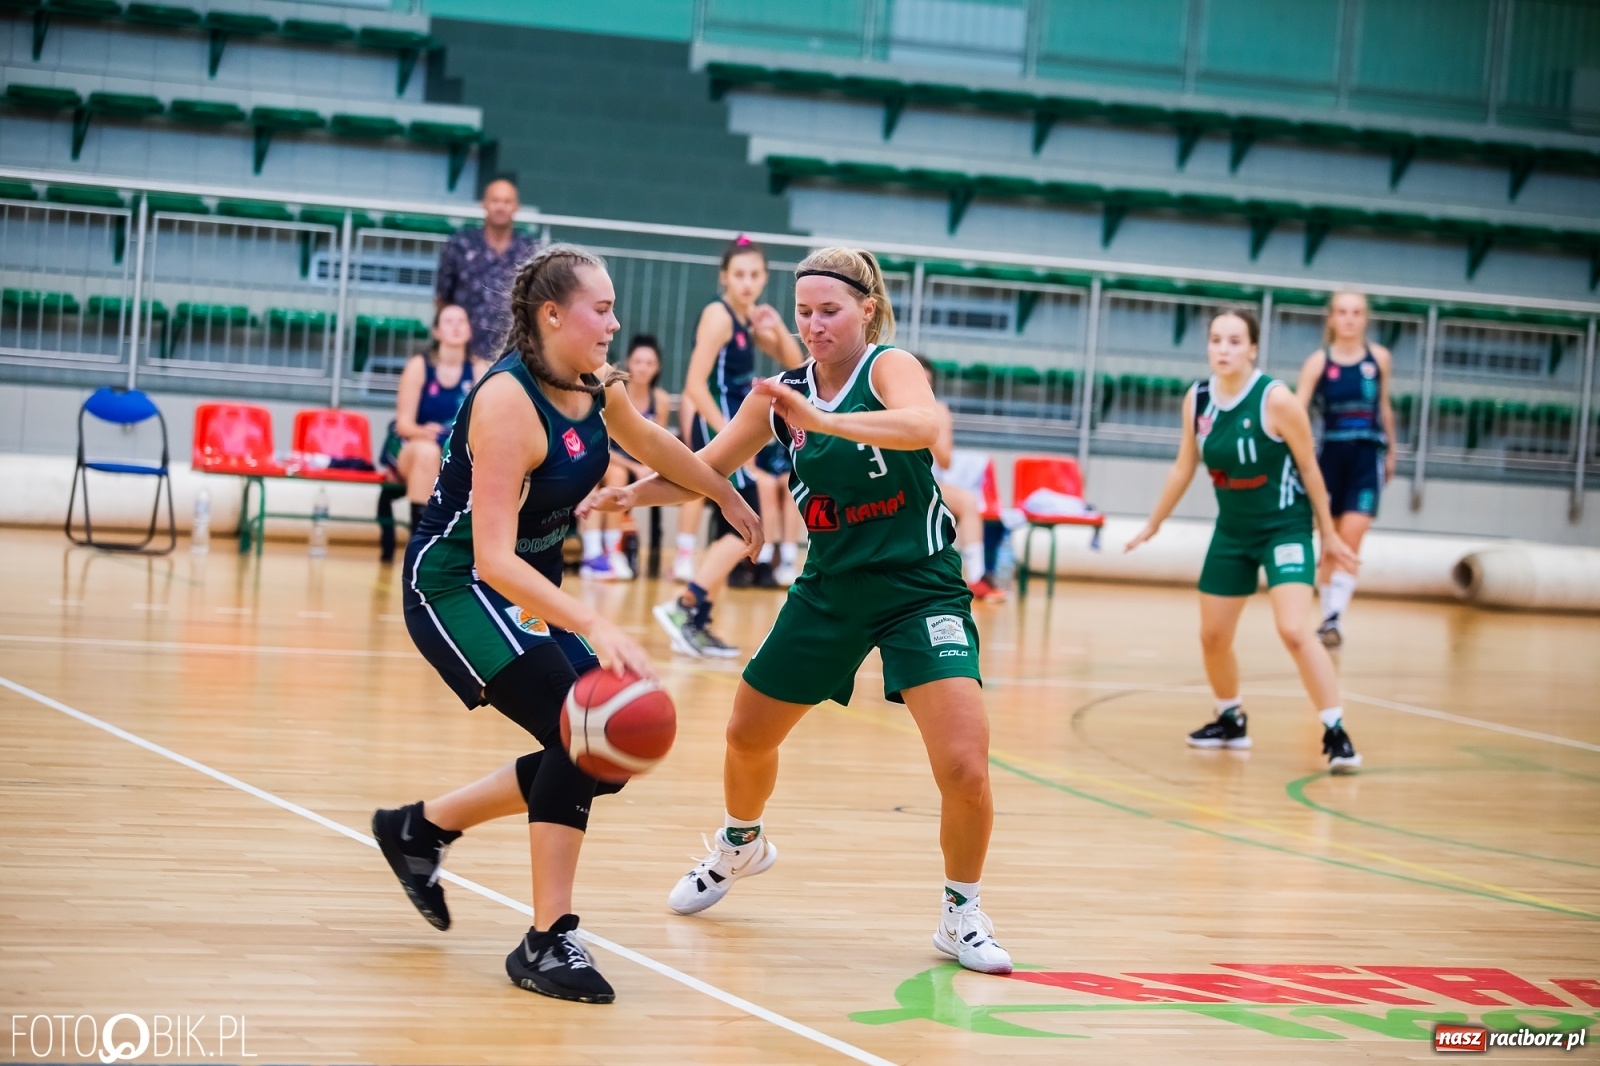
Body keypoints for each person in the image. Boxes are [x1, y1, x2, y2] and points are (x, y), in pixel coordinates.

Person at [589, 246, 1012, 975]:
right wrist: (636, 493)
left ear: (866, 309)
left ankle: (961, 912)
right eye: (805, 312)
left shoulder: (887, 367)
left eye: (830, 311)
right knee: (746, 733)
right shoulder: (778, 397)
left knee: (965, 766)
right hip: (832, 588)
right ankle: (741, 842)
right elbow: (705, 467)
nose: (814, 325)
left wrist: (826, 419)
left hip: (921, 588)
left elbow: (924, 427)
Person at [370, 245, 761, 1005]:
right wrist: (594, 621)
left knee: (605, 748)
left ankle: (421, 829)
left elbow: (656, 446)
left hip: (525, 590)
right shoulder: (508, 404)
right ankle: (547, 939)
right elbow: (489, 557)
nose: (615, 324)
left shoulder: (596, 384)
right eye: (602, 309)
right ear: (553, 315)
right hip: (457, 587)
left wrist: (726, 496)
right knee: (581, 735)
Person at [1126, 307, 1362, 772]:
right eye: (1216, 340)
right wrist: (1152, 523)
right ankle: (1230, 719)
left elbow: (1310, 469)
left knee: (1294, 629)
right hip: (1232, 528)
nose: (1223, 349)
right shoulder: (1197, 400)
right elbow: (1183, 467)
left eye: (1234, 341)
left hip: (1285, 527)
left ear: (1253, 348)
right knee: (1213, 636)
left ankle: (1336, 730)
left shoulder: (1276, 400)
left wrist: (1329, 535)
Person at [653, 237, 804, 658]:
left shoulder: (747, 320)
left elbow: (796, 366)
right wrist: (734, 440)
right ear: (724, 277)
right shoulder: (718, 317)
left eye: (755, 275)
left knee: (735, 527)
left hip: (733, 430)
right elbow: (694, 386)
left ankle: (696, 619)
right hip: (719, 427)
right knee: (746, 522)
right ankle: (685, 606)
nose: (747, 282)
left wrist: (772, 327)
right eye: (739, 274)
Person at [1293, 291, 1396, 648]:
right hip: (1330, 456)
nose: (1349, 318)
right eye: (1342, 312)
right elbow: (1297, 408)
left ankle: (1333, 618)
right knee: (1328, 541)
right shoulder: (1318, 362)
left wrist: (1393, 451)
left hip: (1367, 457)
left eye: (1356, 312)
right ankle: (1328, 614)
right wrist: (1296, 451)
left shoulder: (1379, 359)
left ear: (1365, 318)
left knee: (1352, 537)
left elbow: (1384, 406)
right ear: (1331, 318)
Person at [578, 334, 672, 580]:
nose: (642, 368)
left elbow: (656, 440)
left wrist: (651, 467)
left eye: (649, 363)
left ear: (657, 368)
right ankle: (593, 552)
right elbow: (602, 439)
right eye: (638, 361)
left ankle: (612, 550)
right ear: (628, 363)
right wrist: (635, 466)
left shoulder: (659, 400)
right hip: (606, 455)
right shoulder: (613, 389)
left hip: (639, 462)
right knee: (613, 474)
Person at [382, 304, 480, 538]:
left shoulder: (479, 370)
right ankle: (422, 538)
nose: (456, 327)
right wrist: (428, 432)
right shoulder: (419, 366)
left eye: (461, 322)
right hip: (414, 445)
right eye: (448, 321)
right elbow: (404, 425)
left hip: (455, 449)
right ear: (436, 331)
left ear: (469, 331)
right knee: (427, 453)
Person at [916, 354, 1005, 602]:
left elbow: (945, 460)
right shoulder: (887, 404)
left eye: (928, 380)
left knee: (967, 501)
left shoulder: (939, 411)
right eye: (918, 379)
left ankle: (977, 579)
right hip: (891, 483)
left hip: (926, 484)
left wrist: (926, 426)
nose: (924, 385)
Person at [434, 177, 536, 361]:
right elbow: (443, 298)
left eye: (507, 201)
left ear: (516, 207)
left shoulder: (529, 250)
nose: (500, 207)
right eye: (495, 200)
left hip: (514, 351)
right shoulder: (461, 244)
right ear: (484, 204)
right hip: (465, 351)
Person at [750, 442, 802, 586]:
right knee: (768, 486)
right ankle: (763, 560)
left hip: (786, 470)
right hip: (757, 470)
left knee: (792, 485)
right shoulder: (757, 420)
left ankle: (788, 560)